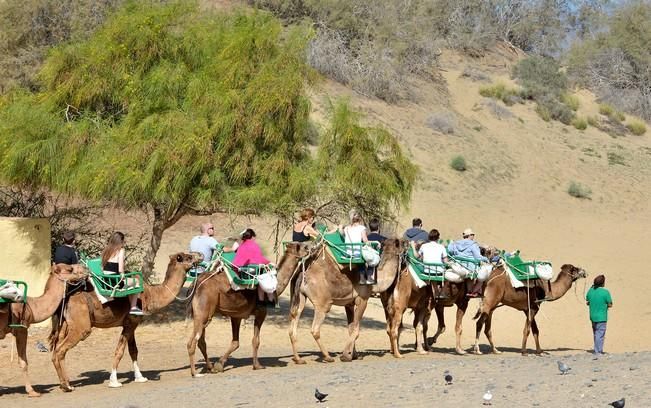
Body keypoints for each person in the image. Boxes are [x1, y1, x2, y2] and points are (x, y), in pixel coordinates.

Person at [101, 232, 142, 315]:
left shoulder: (106, 250)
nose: (123, 244)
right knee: (137, 281)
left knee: (129, 282)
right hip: (116, 283)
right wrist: (123, 275)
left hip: (106, 282)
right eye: (123, 242)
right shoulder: (121, 251)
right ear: (120, 241)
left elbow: (102, 268)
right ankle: (133, 307)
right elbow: (120, 270)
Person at [232, 229, 274, 306]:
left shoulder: (241, 246)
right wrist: (269, 263)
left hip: (241, 272)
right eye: (254, 237)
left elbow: (237, 259)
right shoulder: (254, 245)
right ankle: (267, 301)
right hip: (251, 272)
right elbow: (259, 259)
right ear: (252, 237)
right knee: (263, 277)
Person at [447, 228, 488, 298]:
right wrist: (486, 259)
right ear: (470, 236)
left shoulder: (456, 243)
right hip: (469, 266)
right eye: (472, 235)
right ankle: (473, 291)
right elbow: (478, 257)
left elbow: (450, 251)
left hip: (457, 264)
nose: (473, 236)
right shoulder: (473, 244)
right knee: (482, 275)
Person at [413, 229, 449, 299]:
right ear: (438, 238)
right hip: (438, 271)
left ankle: (436, 292)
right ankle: (442, 292)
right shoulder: (441, 247)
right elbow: (445, 261)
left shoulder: (423, 246)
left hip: (427, 270)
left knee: (433, 276)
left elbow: (417, 257)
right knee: (448, 277)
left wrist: (413, 247)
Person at [340, 212, 373, 284]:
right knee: (370, 257)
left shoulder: (346, 228)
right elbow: (365, 240)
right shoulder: (362, 228)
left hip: (347, 253)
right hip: (356, 253)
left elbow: (342, 234)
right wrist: (371, 245)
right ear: (360, 219)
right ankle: (365, 278)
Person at [586, 275, 612, 356]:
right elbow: (610, 304)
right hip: (601, 316)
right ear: (603, 283)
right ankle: (598, 351)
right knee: (600, 334)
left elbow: (587, 301)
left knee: (596, 333)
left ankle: (597, 349)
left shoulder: (590, 291)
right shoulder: (605, 292)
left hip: (593, 316)